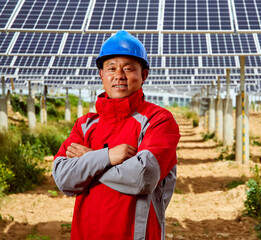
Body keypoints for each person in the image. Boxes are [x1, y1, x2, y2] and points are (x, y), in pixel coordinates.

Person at [52, 30, 180, 240]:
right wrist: (106, 157)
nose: (119, 75)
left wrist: (88, 160)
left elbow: (143, 178)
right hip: (86, 234)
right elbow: (63, 178)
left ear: (144, 75)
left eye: (128, 69)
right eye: (111, 68)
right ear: (101, 75)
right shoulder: (85, 125)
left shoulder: (158, 120)